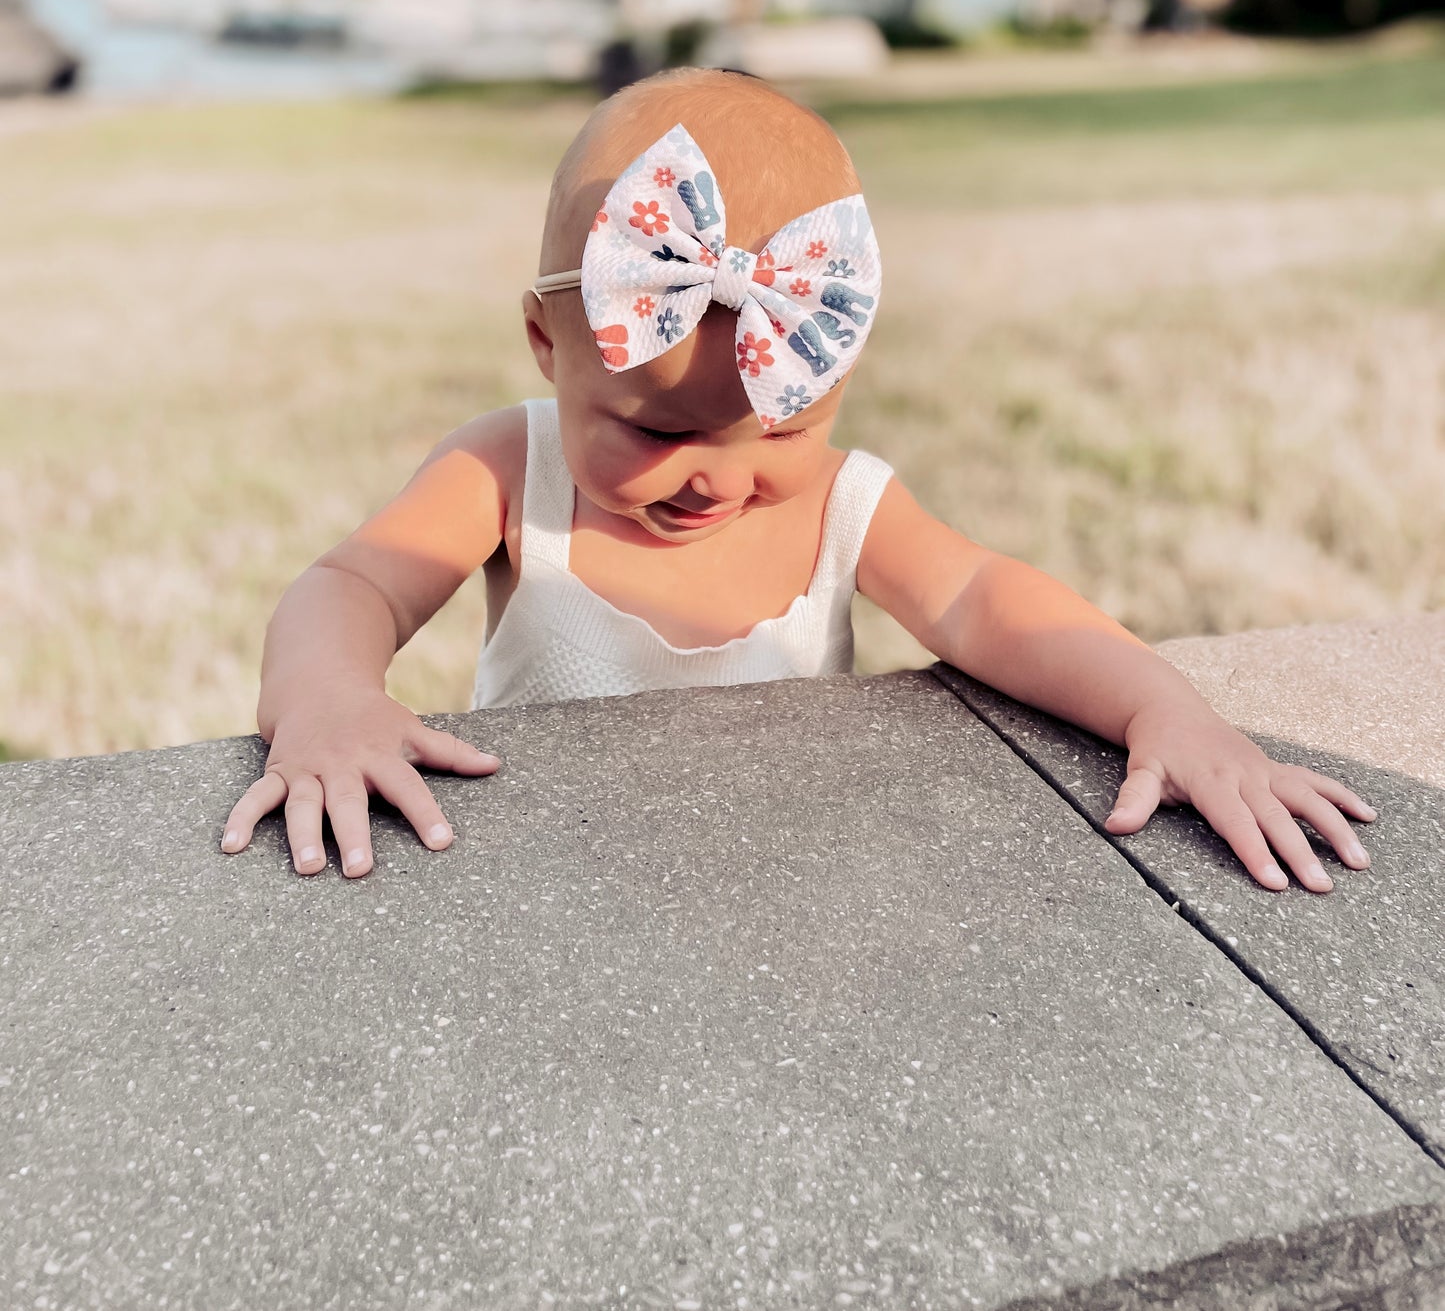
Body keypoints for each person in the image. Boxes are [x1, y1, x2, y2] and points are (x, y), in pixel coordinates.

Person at [221, 68, 1375, 890]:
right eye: (649, 426)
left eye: (777, 429)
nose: (714, 476)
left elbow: (987, 602)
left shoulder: (839, 501)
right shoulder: (505, 466)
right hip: (538, 904)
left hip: (796, 903)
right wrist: (327, 699)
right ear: (544, 347)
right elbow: (353, 585)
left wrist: (1160, 706)